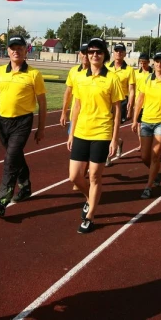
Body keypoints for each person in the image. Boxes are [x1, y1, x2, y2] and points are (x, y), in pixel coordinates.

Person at [0, 35, 47, 217]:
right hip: (3, 122)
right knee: (15, 156)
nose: (16, 51)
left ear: (26, 50)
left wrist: (41, 128)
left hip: (23, 122)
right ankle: (25, 186)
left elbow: (42, 103)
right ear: (8, 50)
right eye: (12, 48)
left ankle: (1, 201)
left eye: (19, 48)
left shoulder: (34, 74)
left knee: (10, 160)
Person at [68, 38, 124, 233]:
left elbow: (117, 111)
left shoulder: (112, 79)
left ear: (104, 54)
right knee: (74, 176)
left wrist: (115, 138)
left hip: (102, 132)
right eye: (91, 52)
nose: (94, 55)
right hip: (82, 131)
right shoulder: (80, 77)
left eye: (98, 52)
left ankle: (90, 216)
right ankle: (90, 199)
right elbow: (77, 106)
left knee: (94, 176)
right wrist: (71, 133)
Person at [132, 51, 161, 199]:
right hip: (146, 121)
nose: (159, 64)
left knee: (155, 156)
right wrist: (134, 119)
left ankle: (148, 186)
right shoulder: (147, 79)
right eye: (157, 61)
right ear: (154, 63)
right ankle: (155, 173)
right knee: (145, 156)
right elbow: (140, 99)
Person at [61, 44, 90, 190]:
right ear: (79, 54)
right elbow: (68, 92)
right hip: (76, 116)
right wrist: (64, 111)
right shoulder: (73, 71)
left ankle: (83, 174)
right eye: (83, 52)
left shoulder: (98, 72)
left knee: (88, 149)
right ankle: (80, 173)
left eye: (88, 52)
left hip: (92, 118)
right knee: (75, 146)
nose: (85, 55)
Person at [105, 43, 136, 166]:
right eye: (116, 51)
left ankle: (109, 153)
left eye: (121, 51)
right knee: (108, 128)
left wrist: (130, 106)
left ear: (124, 54)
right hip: (107, 102)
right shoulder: (107, 67)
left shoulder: (129, 70)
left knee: (112, 127)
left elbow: (132, 90)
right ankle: (116, 143)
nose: (118, 53)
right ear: (113, 53)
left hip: (121, 102)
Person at [134, 52, 153, 150]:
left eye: (144, 63)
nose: (142, 65)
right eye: (141, 63)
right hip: (139, 103)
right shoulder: (136, 73)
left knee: (149, 124)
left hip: (150, 103)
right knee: (139, 124)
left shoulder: (152, 73)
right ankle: (141, 144)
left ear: (148, 62)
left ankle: (150, 142)